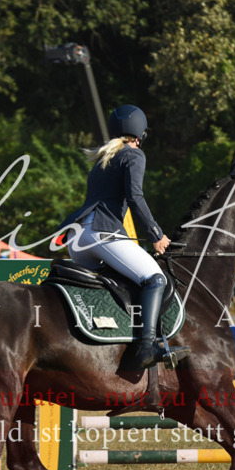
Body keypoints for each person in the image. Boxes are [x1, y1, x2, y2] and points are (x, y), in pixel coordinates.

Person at [59, 104, 189, 371]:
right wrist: (156, 234)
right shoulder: (133, 154)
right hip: (101, 232)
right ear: (140, 135)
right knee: (155, 278)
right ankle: (146, 348)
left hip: (78, 236)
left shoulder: (102, 159)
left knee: (119, 281)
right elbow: (135, 197)